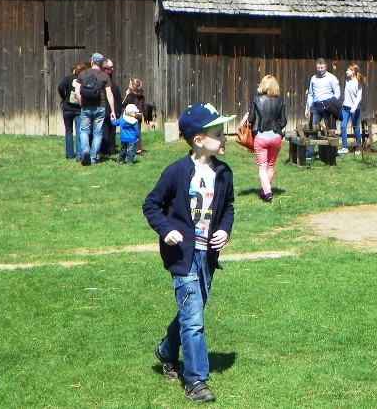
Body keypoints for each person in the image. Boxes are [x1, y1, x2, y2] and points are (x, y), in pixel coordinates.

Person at [142, 102, 236, 404]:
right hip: (182, 257)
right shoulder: (176, 172)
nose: (225, 138)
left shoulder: (223, 173)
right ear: (198, 140)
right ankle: (196, 381)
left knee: (192, 311)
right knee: (194, 320)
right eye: (218, 134)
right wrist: (166, 229)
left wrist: (224, 230)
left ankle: (167, 351)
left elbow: (228, 208)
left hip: (207, 256)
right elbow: (151, 205)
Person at [245, 74, 287, 203]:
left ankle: (267, 192)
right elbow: (284, 121)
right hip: (276, 136)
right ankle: (265, 191)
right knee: (271, 165)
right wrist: (276, 127)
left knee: (262, 166)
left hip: (261, 135)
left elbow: (251, 119)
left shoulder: (256, 99)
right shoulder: (280, 101)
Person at [74, 53, 117, 166]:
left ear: (92, 61)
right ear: (101, 63)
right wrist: (112, 111)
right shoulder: (104, 76)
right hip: (100, 106)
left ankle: (85, 150)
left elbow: (77, 92)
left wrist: (81, 103)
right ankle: (93, 158)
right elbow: (109, 94)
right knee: (98, 133)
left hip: (86, 106)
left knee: (84, 131)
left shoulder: (82, 74)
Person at [304, 58, 340, 159]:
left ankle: (332, 151)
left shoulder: (332, 78)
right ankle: (309, 152)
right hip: (316, 106)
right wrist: (307, 108)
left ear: (325, 67)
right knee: (313, 129)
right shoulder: (313, 79)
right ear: (316, 67)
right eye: (318, 68)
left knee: (330, 129)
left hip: (328, 106)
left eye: (322, 67)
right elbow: (310, 94)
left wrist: (330, 102)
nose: (320, 69)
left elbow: (337, 94)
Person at [57, 61, 86, 159]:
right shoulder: (84, 79)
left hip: (67, 108)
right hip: (79, 109)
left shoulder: (68, 78)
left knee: (68, 131)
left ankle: (69, 155)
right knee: (79, 132)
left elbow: (60, 87)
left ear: (74, 69)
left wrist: (64, 97)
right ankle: (79, 155)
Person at [98, 58, 122, 160]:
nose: (112, 69)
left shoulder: (114, 86)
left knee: (112, 130)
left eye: (112, 67)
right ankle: (104, 150)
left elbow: (118, 99)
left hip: (112, 111)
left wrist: (117, 111)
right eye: (110, 68)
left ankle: (111, 149)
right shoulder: (100, 82)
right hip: (103, 109)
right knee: (104, 130)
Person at [339, 64, 366, 153]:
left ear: (353, 71)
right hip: (345, 107)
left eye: (348, 70)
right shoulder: (347, 81)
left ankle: (358, 147)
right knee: (342, 126)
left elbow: (359, 97)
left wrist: (354, 107)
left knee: (356, 128)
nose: (346, 72)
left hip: (354, 109)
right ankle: (344, 146)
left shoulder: (358, 83)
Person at [122, 77, 147, 154]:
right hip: (138, 115)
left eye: (130, 83)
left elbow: (123, 104)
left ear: (133, 86)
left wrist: (126, 95)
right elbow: (144, 108)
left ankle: (129, 148)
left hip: (130, 115)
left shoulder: (130, 95)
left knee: (129, 131)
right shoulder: (142, 96)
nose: (128, 85)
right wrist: (145, 117)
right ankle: (138, 148)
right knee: (137, 132)